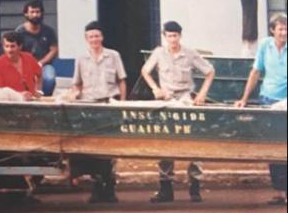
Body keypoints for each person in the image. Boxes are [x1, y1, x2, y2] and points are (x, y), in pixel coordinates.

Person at [141, 20, 215, 203]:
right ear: (164, 37)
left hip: (186, 99)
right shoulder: (159, 53)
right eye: (169, 36)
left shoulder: (189, 53)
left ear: (180, 36)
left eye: (175, 36)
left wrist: (202, 94)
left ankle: (195, 186)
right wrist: (155, 89)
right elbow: (145, 71)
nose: (172, 39)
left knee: (193, 141)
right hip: (166, 101)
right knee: (165, 142)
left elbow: (210, 71)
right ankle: (166, 188)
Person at [71, 21, 126, 204]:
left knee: (108, 151)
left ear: (102, 37)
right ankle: (97, 189)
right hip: (88, 107)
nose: (94, 39)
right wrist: (74, 95)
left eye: (97, 35)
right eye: (91, 36)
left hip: (109, 105)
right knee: (92, 150)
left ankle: (109, 190)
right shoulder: (81, 58)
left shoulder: (113, 56)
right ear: (86, 39)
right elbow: (77, 84)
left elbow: (121, 81)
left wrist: (122, 105)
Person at [235, 13, 287, 206]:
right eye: (280, 28)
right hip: (268, 100)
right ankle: (281, 193)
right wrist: (244, 99)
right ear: (273, 30)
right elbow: (256, 72)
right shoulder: (265, 45)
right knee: (273, 147)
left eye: (286, 28)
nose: (284, 32)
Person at [14, 0, 59, 96]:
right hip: (25, 65)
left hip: (44, 65)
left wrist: (40, 63)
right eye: (32, 12)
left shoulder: (49, 31)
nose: (35, 15)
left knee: (49, 78)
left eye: (37, 12)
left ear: (42, 13)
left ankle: (45, 100)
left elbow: (54, 50)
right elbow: (15, 51)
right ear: (26, 14)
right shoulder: (19, 32)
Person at [0, 31, 41, 100]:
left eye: (12, 46)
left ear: (20, 46)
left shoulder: (29, 58)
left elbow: (39, 74)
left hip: (32, 101)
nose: (9, 50)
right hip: (9, 104)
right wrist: (18, 95)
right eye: (7, 46)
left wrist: (37, 90)